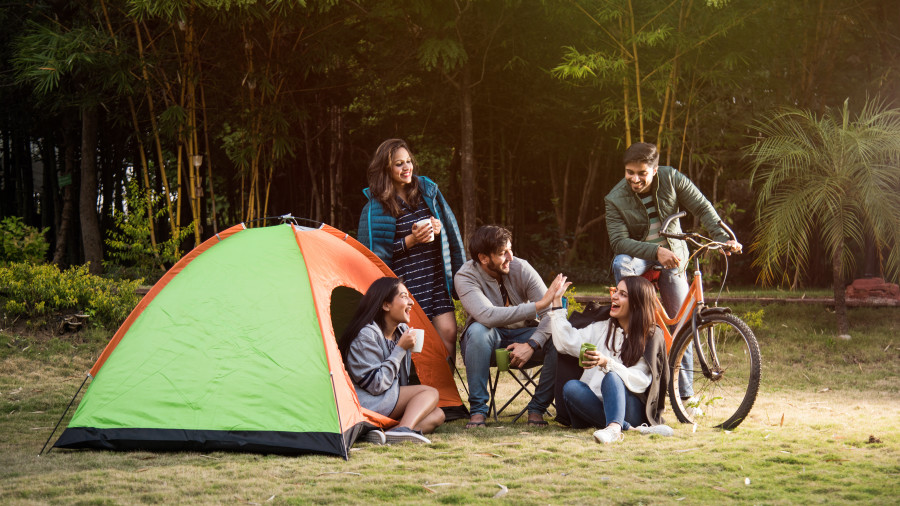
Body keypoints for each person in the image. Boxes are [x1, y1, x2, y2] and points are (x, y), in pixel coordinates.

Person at [604, 142, 741, 404]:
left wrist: (724, 239)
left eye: (641, 173)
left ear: (655, 170)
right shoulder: (614, 198)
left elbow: (702, 207)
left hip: (674, 255)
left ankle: (685, 395)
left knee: (682, 323)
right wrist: (655, 252)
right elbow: (619, 242)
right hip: (640, 256)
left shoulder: (672, 177)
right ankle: (635, 320)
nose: (634, 179)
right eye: (629, 172)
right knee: (621, 263)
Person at [358, 139, 466, 364]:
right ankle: (420, 395)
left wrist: (438, 229)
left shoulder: (427, 192)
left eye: (408, 161)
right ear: (386, 168)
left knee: (448, 333)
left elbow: (451, 232)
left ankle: (447, 396)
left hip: (435, 277)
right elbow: (373, 256)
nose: (406, 167)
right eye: (399, 164)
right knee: (416, 345)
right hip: (406, 285)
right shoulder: (376, 207)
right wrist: (410, 240)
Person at [454, 225, 567, 428]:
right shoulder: (465, 276)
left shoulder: (520, 268)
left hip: (524, 336)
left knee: (559, 338)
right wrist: (537, 306)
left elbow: (551, 315)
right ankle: (478, 412)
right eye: (502, 253)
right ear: (484, 258)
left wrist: (532, 344)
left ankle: (537, 409)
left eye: (510, 250)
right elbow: (487, 316)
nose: (510, 257)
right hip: (485, 343)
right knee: (479, 330)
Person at [548, 275, 672, 444]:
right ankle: (628, 429)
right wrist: (556, 302)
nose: (614, 296)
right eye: (616, 292)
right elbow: (566, 342)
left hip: (630, 407)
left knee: (612, 377)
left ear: (637, 302)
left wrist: (607, 363)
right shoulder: (603, 328)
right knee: (571, 388)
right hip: (593, 406)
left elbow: (641, 380)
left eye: (623, 294)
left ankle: (615, 426)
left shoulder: (650, 336)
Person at [339, 277, 445, 444]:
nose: (411, 302)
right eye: (403, 296)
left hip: (387, 398)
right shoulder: (367, 335)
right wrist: (400, 349)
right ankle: (403, 430)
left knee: (438, 414)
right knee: (430, 393)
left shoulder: (401, 332)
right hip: (367, 402)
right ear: (386, 305)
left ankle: (387, 434)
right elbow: (375, 385)